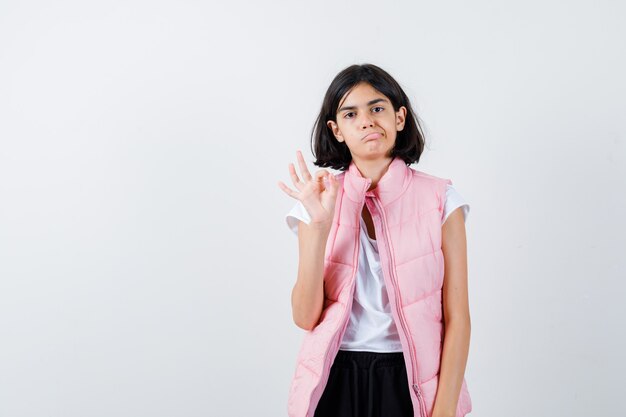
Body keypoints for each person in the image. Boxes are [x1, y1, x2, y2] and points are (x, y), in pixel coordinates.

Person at [277, 63, 473, 417]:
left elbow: (458, 318)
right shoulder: (316, 201)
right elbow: (305, 317)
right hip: (334, 376)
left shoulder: (441, 199)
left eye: (377, 108)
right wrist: (318, 227)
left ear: (400, 118)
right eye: (351, 113)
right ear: (336, 130)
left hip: (410, 379)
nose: (366, 120)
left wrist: (443, 412)